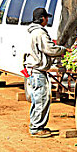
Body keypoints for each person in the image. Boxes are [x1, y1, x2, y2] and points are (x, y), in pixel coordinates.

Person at [24, 7, 67, 138]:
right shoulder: (40, 33)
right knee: (42, 98)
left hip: (32, 69)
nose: (47, 20)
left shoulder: (32, 31)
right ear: (42, 18)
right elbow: (50, 49)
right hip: (37, 70)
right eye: (46, 17)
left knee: (38, 99)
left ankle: (35, 125)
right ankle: (37, 128)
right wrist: (63, 50)